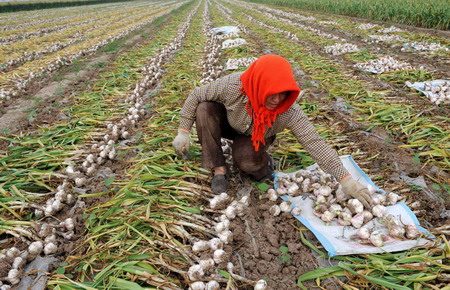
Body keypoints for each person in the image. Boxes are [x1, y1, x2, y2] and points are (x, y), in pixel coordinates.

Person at [173, 54, 373, 208]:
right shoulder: (235, 86)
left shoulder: (289, 112)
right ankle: (219, 169)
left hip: (256, 135)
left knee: (248, 163)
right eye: (272, 93)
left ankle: (264, 162)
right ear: (260, 85)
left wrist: (345, 179)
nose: (277, 100)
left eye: (282, 94)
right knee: (204, 109)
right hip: (229, 122)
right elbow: (196, 95)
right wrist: (183, 130)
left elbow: (314, 142)